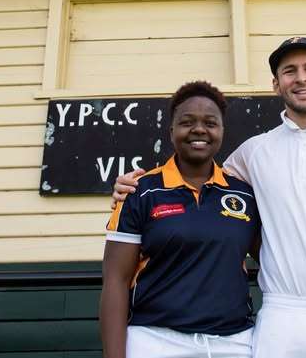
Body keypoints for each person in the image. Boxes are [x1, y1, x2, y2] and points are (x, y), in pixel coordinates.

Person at [113, 38, 306, 358]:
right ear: (276, 84)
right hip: (284, 317)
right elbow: (198, 173)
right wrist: (133, 186)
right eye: (289, 71)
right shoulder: (254, 153)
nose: (301, 78)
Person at [101, 80, 261, 358]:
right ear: (171, 130)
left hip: (233, 343)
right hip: (156, 340)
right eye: (187, 122)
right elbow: (116, 280)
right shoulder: (140, 192)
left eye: (210, 123)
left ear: (222, 131)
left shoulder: (244, 194)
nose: (199, 129)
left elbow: (274, 258)